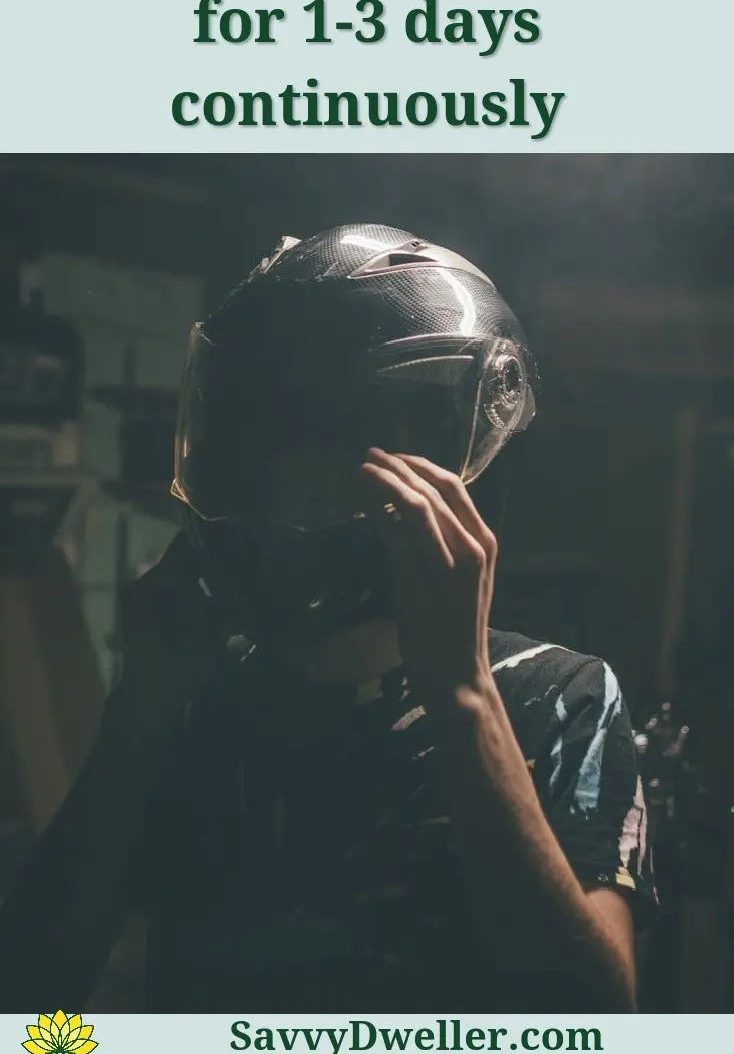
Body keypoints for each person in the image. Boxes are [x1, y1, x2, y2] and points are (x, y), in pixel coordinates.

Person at [0, 224, 655, 1013]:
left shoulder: (557, 697)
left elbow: (594, 1016)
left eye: (326, 459)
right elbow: (29, 997)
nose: (282, 496)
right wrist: (137, 714)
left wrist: (463, 697)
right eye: (261, 448)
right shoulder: (199, 699)